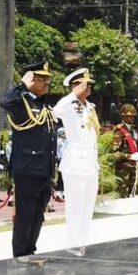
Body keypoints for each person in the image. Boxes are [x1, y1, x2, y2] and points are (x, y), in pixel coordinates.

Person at [0, 61, 58, 257]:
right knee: (25, 215)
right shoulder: (21, 101)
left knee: (38, 215)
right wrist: (21, 85)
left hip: (44, 170)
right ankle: (20, 254)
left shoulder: (44, 103)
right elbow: (5, 102)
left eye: (48, 79)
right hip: (27, 169)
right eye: (42, 79)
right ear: (31, 78)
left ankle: (30, 250)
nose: (47, 83)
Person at [52, 68, 102, 253]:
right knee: (74, 207)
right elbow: (55, 111)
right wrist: (72, 94)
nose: (89, 87)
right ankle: (73, 243)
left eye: (89, 84)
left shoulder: (90, 107)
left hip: (90, 163)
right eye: (85, 85)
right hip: (75, 163)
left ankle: (84, 242)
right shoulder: (68, 106)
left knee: (88, 207)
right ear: (75, 86)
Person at [111, 103, 138, 198]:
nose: (131, 118)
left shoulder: (135, 130)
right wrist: (130, 156)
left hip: (134, 167)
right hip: (123, 170)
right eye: (129, 116)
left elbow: (137, 145)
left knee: (134, 195)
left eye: (133, 116)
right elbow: (114, 153)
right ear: (123, 117)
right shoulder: (119, 131)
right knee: (122, 195)